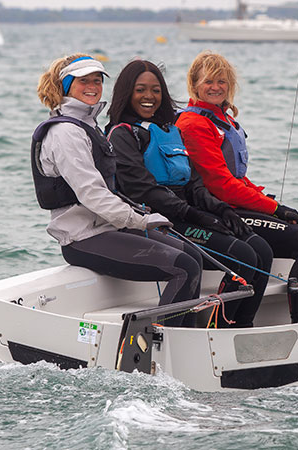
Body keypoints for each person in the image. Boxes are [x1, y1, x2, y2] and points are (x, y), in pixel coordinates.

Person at [33, 53, 203, 326]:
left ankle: (190, 340)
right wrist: (141, 221)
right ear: (66, 87)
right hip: (83, 238)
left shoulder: (88, 125)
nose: (92, 86)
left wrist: (139, 215)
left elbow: (108, 188)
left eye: (97, 80)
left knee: (192, 255)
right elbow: (92, 194)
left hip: (107, 228)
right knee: (185, 268)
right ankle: (160, 345)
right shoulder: (65, 133)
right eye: (83, 81)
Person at [106, 59, 273, 328]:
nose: (149, 96)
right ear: (127, 93)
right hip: (158, 222)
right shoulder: (122, 135)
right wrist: (198, 216)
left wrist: (221, 210)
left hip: (187, 215)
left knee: (261, 250)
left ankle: (242, 327)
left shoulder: (171, 131)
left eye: (156, 90)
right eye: (140, 90)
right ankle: (217, 332)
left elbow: (194, 184)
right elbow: (144, 190)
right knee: (243, 256)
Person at [176, 50, 298, 323]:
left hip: (236, 203)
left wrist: (271, 205)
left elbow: (237, 177)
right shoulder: (193, 124)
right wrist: (274, 208)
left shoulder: (223, 119)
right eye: (208, 81)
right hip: (217, 210)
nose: (215, 87)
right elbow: (220, 185)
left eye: (222, 81)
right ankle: (293, 318)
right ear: (194, 84)